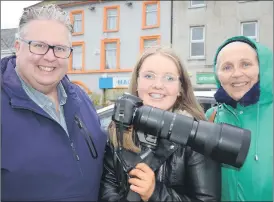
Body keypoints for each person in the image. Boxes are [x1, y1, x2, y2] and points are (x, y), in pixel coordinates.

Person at [1, 4, 107, 201]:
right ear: (18, 47)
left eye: (59, 48)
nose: (50, 57)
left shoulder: (81, 99)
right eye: (39, 45)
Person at [100, 47, 221, 201]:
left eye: (169, 78)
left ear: (180, 89)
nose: (158, 85)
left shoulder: (197, 137)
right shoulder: (118, 130)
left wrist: (155, 193)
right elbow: (107, 193)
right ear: (137, 82)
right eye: (149, 76)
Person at [205, 36, 273, 201]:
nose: (236, 74)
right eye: (227, 67)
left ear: (261, 68)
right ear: (217, 74)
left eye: (246, 64)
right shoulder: (211, 117)